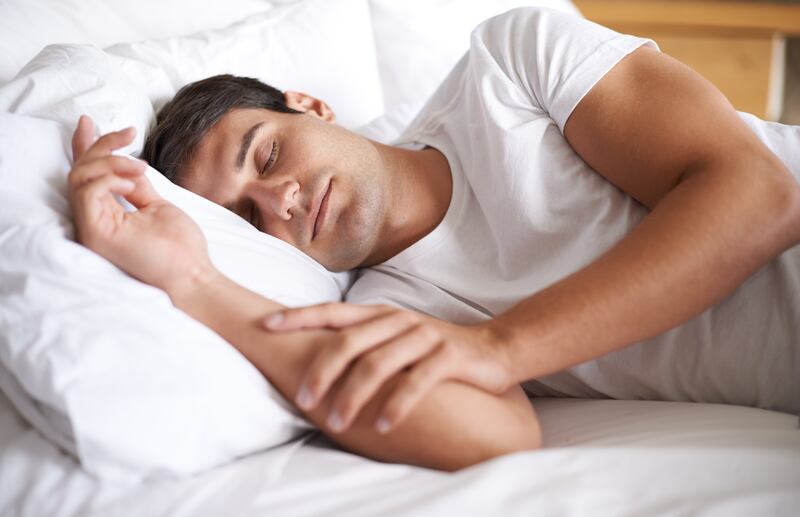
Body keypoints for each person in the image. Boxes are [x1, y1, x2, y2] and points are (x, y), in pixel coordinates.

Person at [67, 8, 800, 470]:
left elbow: (759, 195)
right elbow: (495, 437)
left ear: (312, 106)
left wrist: (498, 347)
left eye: (266, 155)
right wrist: (193, 280)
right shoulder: (398, 310)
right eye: (252, 221)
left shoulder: (510, 64)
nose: (282, 202)